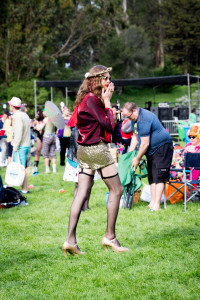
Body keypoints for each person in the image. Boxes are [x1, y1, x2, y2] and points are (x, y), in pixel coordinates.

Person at [62, 65, 129, 256]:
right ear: (96, 80)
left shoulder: (88, 98)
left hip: (84, 150)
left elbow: (105, 122)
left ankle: (70, 241)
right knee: (117, 189)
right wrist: (107, 103)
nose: (110, 81)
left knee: (81, 192)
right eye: (106, 78)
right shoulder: (92, 99)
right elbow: (108, 124)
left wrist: (108, 107)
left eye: (110, 78)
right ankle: (110, 237)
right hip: (96, 149)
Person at [122, 102, 173, 211]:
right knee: (152, 176)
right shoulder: (134, 120)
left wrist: (137, 158)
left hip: (162, 147)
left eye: (129, 116)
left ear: (134, 111)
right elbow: (135, 137)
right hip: (151, 151)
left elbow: (145, 143)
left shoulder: (144, 118)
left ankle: (157, 205)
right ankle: (152, 203)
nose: (128, 119)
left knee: (159, 175)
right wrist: (130, 155)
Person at [8, 97, 31, 194]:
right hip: (26, 144)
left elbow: (18, 133)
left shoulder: (17, 116)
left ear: (12, 106)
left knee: (21, 168)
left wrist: (15, 147)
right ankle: (19, 187)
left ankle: (24, 189)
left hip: (20, 145)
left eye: (10, 105)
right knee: (22, 167)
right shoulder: (24, 115)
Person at [32, 108, 44, 174]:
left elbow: (41, 130)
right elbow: (35, 129)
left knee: (46, 152)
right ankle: (35, 165)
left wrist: (38, 124)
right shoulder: (36, 120)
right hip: (39, 137)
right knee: (38, 150)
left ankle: (47, 164)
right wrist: (35, 125)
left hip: (45, 136)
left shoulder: (44, 120)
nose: (36, 114)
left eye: (37, 113)